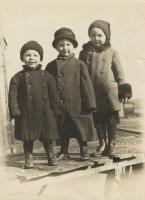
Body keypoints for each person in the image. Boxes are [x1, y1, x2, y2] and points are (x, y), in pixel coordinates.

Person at [79, 20, 132, 156]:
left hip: (109, 93)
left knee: (111, 119)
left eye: (100, 35)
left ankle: (112, 143)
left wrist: (124, 88)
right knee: (97, 119)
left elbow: (119, 72)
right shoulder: (85, 53)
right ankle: (102, 143)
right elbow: (81, 72)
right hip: (93, 93)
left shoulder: (112, 52)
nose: (96, 38)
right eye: (93, 35)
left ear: (106, 37)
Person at [46, 27, 96, 161]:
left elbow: (87, 85)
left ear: (73, 46)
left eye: (68, 44)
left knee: (80, 128)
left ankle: (83, 149)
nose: (65, 48)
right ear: (56, 47)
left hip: (77, 104)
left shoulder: (79, 64)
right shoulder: (50, 66)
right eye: (61, 45)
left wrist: (90, 103)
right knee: (62, 128)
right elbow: (47, 86)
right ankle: (64, 150)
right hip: (59, 105)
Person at [8, 40, 60, 168]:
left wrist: (57, 111)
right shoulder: (17, 78)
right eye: (28, 55)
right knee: (28, 138)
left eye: (35, 55)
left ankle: (51, 155)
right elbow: (12, 96)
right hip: (27, 113)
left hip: (45, 112)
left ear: (40, 58)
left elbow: (54, 96)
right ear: (22, 58)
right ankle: (28, 158)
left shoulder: (48, 77)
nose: (31, 58)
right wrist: (15, 112)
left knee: (48, 137)